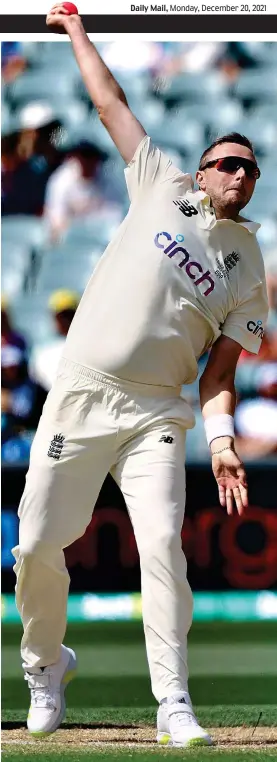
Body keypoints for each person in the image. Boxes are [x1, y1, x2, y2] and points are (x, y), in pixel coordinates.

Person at [12, 4, 269, 748]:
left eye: (250, 168)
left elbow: (220, 370)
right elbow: (109, 101)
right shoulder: (159, 180)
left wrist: (220, 439)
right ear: (203, 169)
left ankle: (173, 704)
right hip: (81, 394)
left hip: (157, 412)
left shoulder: (249, 269)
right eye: (227, 162)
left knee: (160, 544)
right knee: (35, 547)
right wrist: (76, 32)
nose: (239, 173)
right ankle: (44, 663)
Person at [29, 290, 80, 392]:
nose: (65, 320)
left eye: (69, 314)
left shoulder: (90, 347)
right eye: (61, 316)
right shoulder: (43, 354)